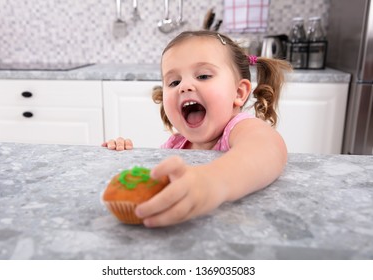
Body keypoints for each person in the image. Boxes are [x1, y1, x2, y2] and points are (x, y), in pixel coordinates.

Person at [102, 30, 292, 227]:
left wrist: (212, 181)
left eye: (203, 76)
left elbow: (267, 149)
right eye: (174, 82)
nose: (184, 86)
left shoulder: (240, 128)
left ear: (238, 92)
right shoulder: (174, 145)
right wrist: (125, 155)